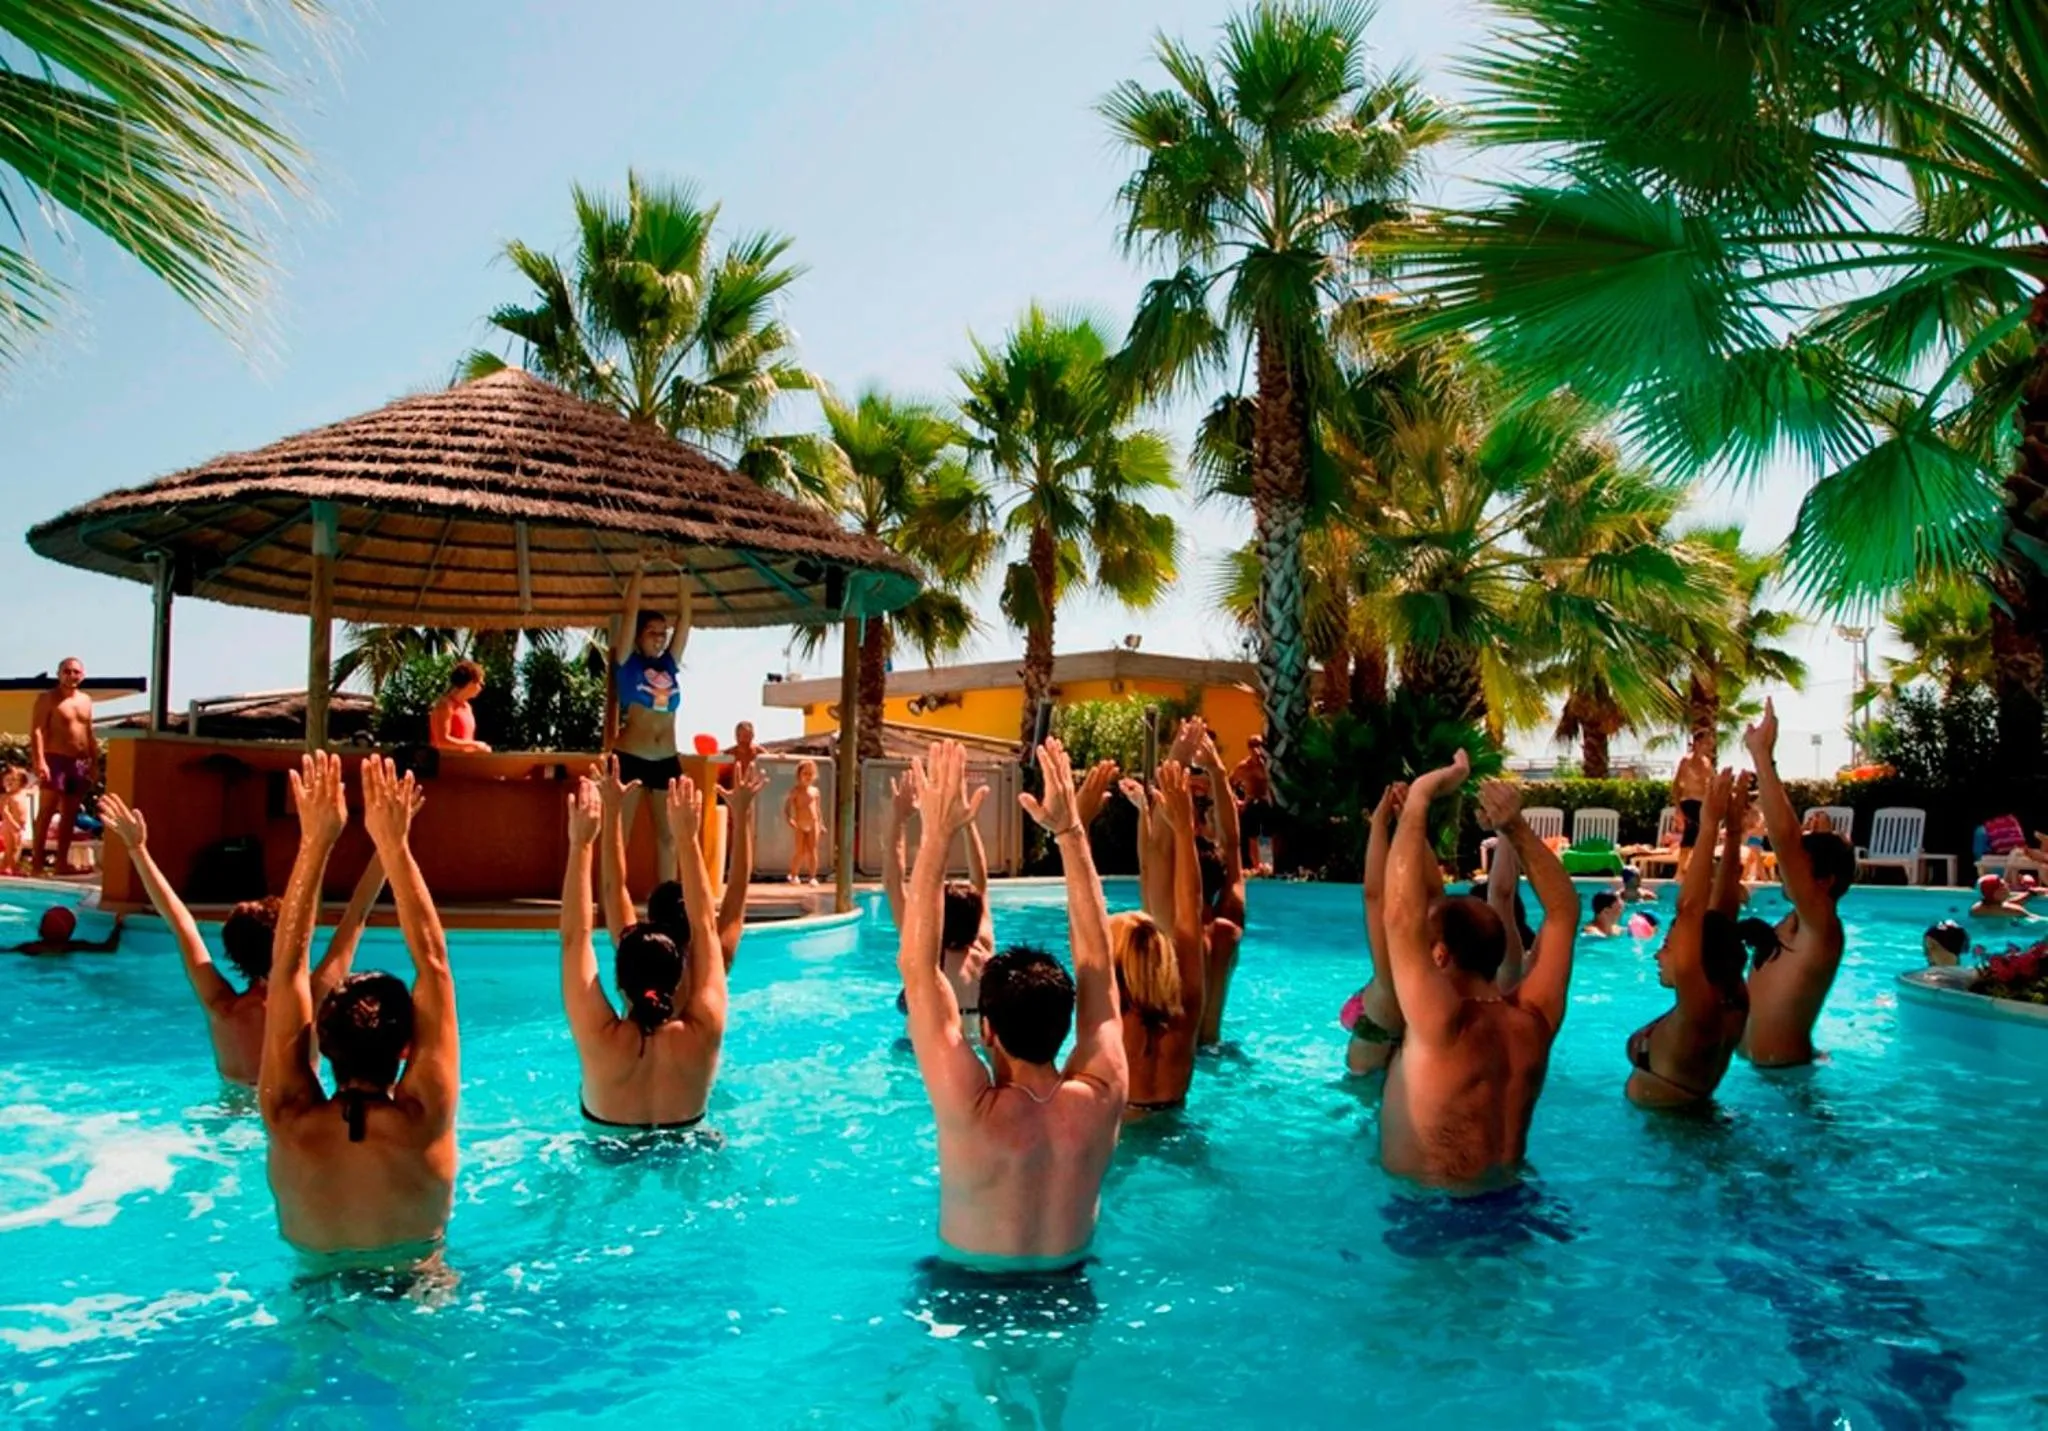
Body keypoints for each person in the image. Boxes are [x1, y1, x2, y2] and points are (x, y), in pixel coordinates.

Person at [898, 737, 1126, 1272]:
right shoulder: (1100, 1097)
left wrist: (935, 837)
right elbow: (1098, 966)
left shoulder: (972, 1109)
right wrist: (1071, 833)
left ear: (988, 1032)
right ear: (1067, 1023)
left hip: (971, 1297)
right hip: (1070, 1296)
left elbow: (918, 970)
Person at [259, 753, 457, 1265]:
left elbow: (286, 971)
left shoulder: (287, 1119)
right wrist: (395, 845)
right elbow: (433, 964)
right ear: (408, 1047)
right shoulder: (424, 1121)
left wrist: (315, 842)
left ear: (321, 1044)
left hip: (313, 1299)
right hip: (414, 1295)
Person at [1379, 752, 1578, 1190]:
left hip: (1434, 1221)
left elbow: (1398, 914)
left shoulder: (1441, 1024)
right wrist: (1514, 827)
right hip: (1513, 1205)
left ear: (1440, 956)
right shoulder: (1533, 1019)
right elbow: (1564, 912)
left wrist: (1420, 796)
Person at [100, 789, 392, 1086]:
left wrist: (138, 849)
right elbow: (357, 915)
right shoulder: (311, 1003)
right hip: (292, 1123)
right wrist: (390, 841)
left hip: (228, 1118)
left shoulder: (221, 1007)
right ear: (290, 942)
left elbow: (181, 922)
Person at [562, 770, 730, 1132]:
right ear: (680, 968)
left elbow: (575, 938)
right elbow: (705, 928)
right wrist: (687, 838)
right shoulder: (704, 1031)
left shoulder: (599, 1038)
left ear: (620, 983)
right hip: (687, 1149)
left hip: (608, 1155)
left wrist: (581, 845)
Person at [1624, 769, 1754, 1109]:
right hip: (1692, 1130)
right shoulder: (1732, 995)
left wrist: (1708, 824)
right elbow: (1719, 917)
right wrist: (1734, 830)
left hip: (1670, 1146)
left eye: (1667, 947)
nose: (1658, 956)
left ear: (1695, 958)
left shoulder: (1701, 1010)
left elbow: (1691, 910)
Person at [1741, 698, 1857, 1068]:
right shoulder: (1794, 921)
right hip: (1760, 1070)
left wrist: (1762, 756)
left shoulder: (1820, 926)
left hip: (1785, 1076)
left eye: (1798, 866)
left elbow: (1786, 840)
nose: (1786, 869)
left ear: (1826, 880)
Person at [596, 754, 763, 975]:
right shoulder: (714, 962)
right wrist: (741, 815)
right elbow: (738, 887)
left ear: (649, 920)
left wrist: (612, 808)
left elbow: (612, 887)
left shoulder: (635, 959)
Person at [1111, 760, 1205, 1116]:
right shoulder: (1188, 1006)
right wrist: (1184, 831)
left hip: (1125, 1126)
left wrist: (1077, 829)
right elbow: (1189, 913)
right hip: (1176, 1121)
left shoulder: (1113, 1011)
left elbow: (1082, 922)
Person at [885, 766, 993, 1026]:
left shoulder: (924, 954)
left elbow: (893, 883)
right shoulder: (984, 951)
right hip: (978, 1040)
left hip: (927, 1049)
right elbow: (981, 884)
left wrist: (899, 818)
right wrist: (967, 824)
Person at [611, 558, 692, 883]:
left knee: (669, 837)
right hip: (630, 758)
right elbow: (629, 614)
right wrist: (639, 571)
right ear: (639, 636)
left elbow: (686, 620)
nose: (659, 638)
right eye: (652, 633)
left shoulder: (670, 666)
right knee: (620, 837)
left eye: (663, 633)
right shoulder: (626, 663)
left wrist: (682, 575)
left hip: (666, 760)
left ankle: (666, 907)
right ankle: (611, 904)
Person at [1174, 721, 1245, 1048]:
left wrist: (1176, 761)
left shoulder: (1180, 934)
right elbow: (1232, 844)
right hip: (1215, 1048)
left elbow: (1167, 842)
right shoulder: (1230, 927)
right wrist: (1216, 772)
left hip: (1181, 1059)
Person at [1343, 781, 1410, 1077]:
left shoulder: (1391, 974)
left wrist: (1380, 823)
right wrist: (1411, 821)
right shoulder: (1426, 972)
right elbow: (1434, 892)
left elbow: (1373, 895)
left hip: (1365, 1075)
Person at [30, 658, 96, 876]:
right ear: (59, 674)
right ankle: (37, 865)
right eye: (66, 671)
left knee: (69, 815)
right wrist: (40, 761)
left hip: (78, 762)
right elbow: (37, 730)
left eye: (76, 671)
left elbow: (89, 733)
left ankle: (61, 864)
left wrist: (94, 762)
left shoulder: (86, 700)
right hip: (54, 759)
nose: (71, 675)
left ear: (82, 675)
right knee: (46, 811)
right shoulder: (48, 698)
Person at [1229, 735, 1274, 875]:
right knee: (1251, 836)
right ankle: (1256, 867)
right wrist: (1237, 800)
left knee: (1270, 835)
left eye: (1259, 744)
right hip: (1251, 803)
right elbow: (1229, 783)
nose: (1256, 749)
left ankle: (1269, 866)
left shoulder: (1269, 765)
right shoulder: (1244, 767)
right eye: (1252, 745)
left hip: (1267, 803)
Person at [1672, 731, 1714, 875]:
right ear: (1697, 743)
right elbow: (1676, 785)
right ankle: (1679, 871)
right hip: (1688, 802)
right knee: (1689, 836)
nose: (1709, 747)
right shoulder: (1686, 761)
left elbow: (1711, 785)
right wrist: (1678, 808)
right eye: (1706, 743)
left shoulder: (1707, 763)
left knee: (1700, 838)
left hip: (1702, 804)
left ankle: (1692, 870)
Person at [428, 660, 492, 754]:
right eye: (480, 684)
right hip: (447, 764)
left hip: (464, 763)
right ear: (471, 683)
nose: (481, 688)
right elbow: (441, 741)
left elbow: (465, 740)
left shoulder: (467, 707)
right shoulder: (445, 705)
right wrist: (474, 745)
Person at [6, 907, 124, 955]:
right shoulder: (74, 946)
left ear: (41, 929)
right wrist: (118, 926)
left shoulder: (27, 948)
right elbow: (109, 948)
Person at [785, 759, 824, 885]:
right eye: (805, 773)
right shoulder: (795, 791)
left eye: (810, 774)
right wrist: (789, 818)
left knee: (813, 850)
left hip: (813, 823)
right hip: (800, 824)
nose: (808, 776)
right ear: (799, 775)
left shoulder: (815, 791)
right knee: (799, 851)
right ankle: (794, 875)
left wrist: (821, 824)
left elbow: (818, 809)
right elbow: (787, 806)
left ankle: (812, 877)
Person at [2, 766, 33, 873]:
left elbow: (34, 784)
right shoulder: (7, 797)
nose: (10, 782)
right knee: (12, 849)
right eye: (7, 780)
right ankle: (14, 869)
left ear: (22, 782)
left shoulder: (22, 793)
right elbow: (5, 812)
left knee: (13, 849)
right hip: (10, 826)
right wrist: (14, 824)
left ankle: (3, 868)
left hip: (19, 827)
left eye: (13, 779)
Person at [717, 720, 763, 791]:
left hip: (755, 795)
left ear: (752, 736)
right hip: (735, 795)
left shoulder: (759, 754)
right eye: (739, 736)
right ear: (736, 737)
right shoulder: (730, 754)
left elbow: (773, 764)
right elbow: (712, 760)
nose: (742, 739)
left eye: (746, 736)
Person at [1969, 874, 2036, 920]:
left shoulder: (1976, 908)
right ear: (1995, 893)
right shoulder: (2015, 911)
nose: (2008, 885)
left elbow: (2004, 904)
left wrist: (2031, 893)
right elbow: (2041, 921)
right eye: (2003, 885)